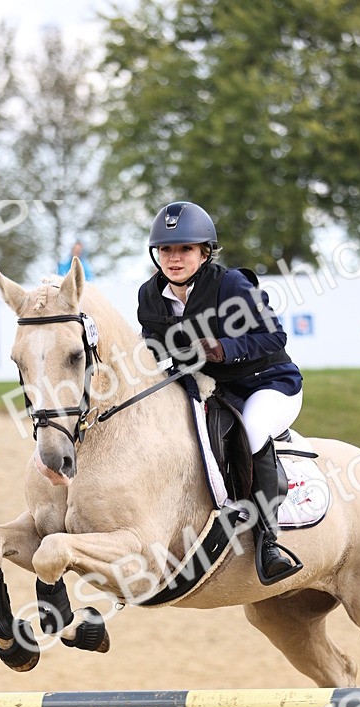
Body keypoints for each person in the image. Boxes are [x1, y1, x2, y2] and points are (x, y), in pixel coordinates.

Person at [137, 200, 303, 584]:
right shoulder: (149, 295)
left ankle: (268, 539)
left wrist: (225, 349)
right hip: (213, 388)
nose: (174, 259)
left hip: (269, 382)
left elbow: (274, 336)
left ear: (204, 252)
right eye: (166, 250)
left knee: (254, 426)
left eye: (185, 249)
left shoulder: (231, 285)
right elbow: (155, 348)